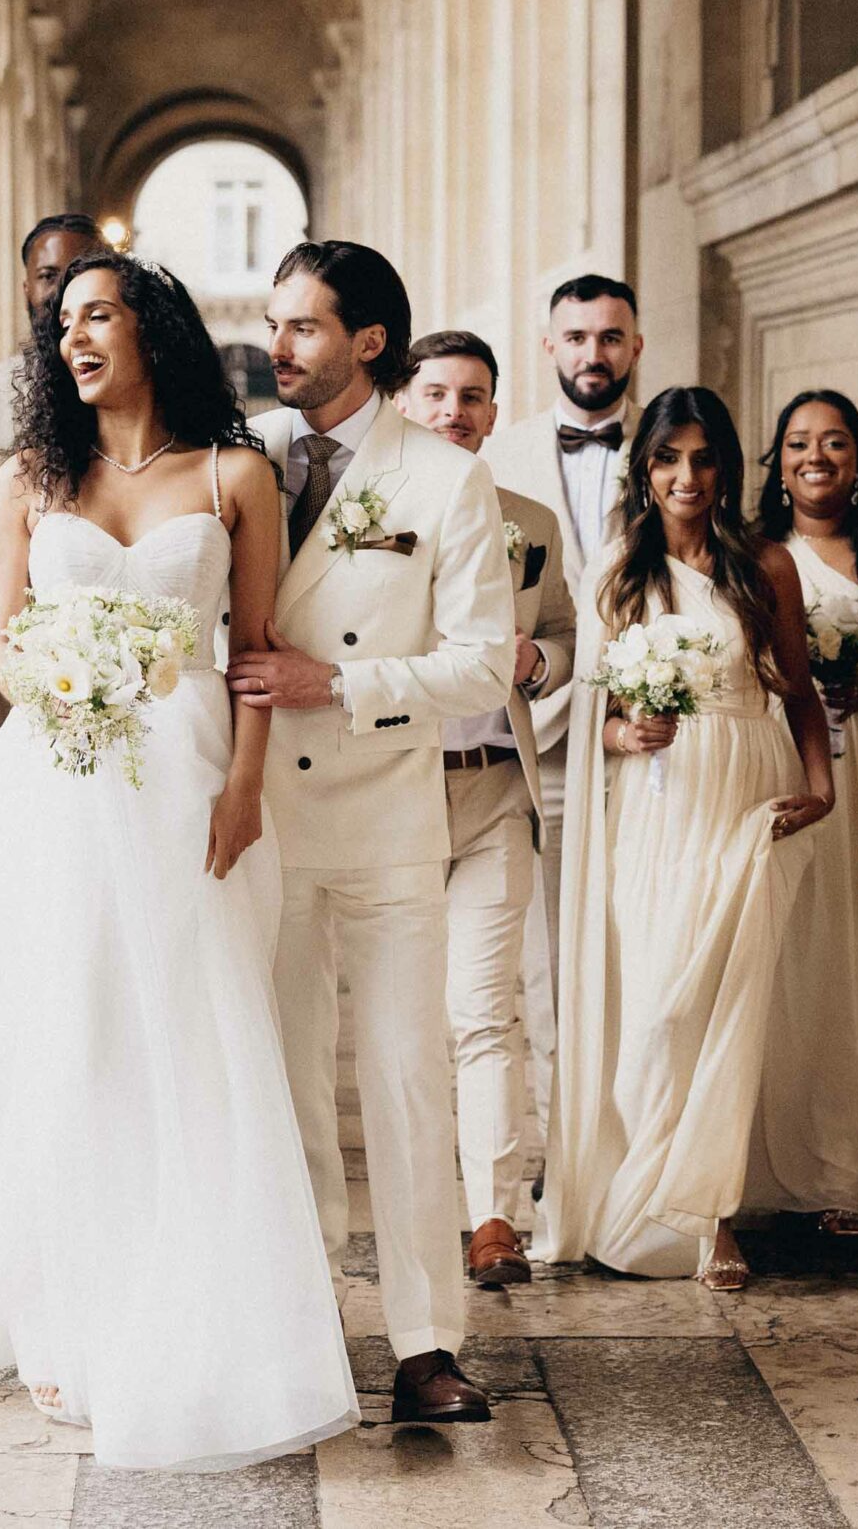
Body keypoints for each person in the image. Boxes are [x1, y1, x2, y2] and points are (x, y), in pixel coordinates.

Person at [0, 252, 357, 1471]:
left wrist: (243, 791)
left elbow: (252, 650)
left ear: (155, 330)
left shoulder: (236, 473)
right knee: (69, 1035)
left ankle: (204, 1311)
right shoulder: (31, 477)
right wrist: (72, 680)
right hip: (61, 789)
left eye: (99, 315)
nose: (74, 336)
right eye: (62, 320)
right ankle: (65, 1310)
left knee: (193, 1044)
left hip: (192, 788)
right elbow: (5, 654)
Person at [233, 241, 514, 1422]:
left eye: (302, 327)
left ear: (368, 343)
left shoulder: (445, 480)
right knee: (284, 1079)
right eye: (274, 323)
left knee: (406, 1081)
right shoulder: (238, 457)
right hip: (259, 822)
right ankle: (295, 1324)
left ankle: (424, 1343)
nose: (277, 345)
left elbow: (485, 663)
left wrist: (339, 687)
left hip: (390, 817)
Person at [533, 385, 834, 1288]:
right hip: (658, 805)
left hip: (746, 794)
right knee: (662, 1009)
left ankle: (713, 1217)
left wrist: (820, 786)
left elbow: (797, 689)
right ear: (646, 467)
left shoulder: (766, 566)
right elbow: (604, 718)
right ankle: (644, 1190)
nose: (687, 476)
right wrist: (632, 734)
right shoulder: (620, 573)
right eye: (669, 458)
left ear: (726, 468)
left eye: (704, 459)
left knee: (728, 1007)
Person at [394, 330, 575, 1285]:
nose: (454, 411)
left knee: (484, 1009)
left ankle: (494, 1216)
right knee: (409, 1016)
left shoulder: (529, 520)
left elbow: (563, 635)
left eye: (472, 396)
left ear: (495, 413)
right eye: (436, 394)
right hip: (396, 790)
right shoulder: (366, 512)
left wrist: (536, 662)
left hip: (499, 786)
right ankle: (417, 1203)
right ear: (406, 401)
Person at [477, 274, 646, 1163]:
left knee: (639, 961)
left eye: (611, 337)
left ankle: (634, 1156)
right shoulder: (494, 461)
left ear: (636, 347)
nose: (593, 354)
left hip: (652, 749)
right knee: (542, 972)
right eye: (576, 337)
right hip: (537, 747)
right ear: (549, 346)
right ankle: (565, 1168)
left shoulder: (671, 449)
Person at [743, 390, 858, 1235]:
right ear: (777, 461)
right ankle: (771, 1166)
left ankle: (849, 1169)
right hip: (790, 773)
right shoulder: (755, 557)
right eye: (800, 443)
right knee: (788, 971)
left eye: (837, 442)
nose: (817, 456)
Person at [0, 213, 108, 730]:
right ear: (26, 286)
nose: (61, 290)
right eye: (49, 275)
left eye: (78, 272)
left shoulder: (132, 394)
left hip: (113, 637)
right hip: (4, 640)